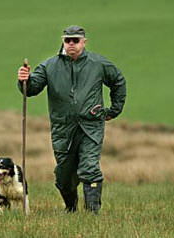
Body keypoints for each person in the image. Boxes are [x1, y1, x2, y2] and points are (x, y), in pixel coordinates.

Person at [18, 25, 126, 214]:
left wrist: (114, 110)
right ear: (63, 41)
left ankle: (92, 214)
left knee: (89, 168)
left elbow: (118, 81)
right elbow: (33, 89)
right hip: (63, 128)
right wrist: (24, 80)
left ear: (84, 42)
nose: (72, 44)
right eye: (68, 40)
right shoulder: (49, 66)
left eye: (76, 40)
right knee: (63, 176)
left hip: (91, 125)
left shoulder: (98, 63)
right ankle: (71, 208)